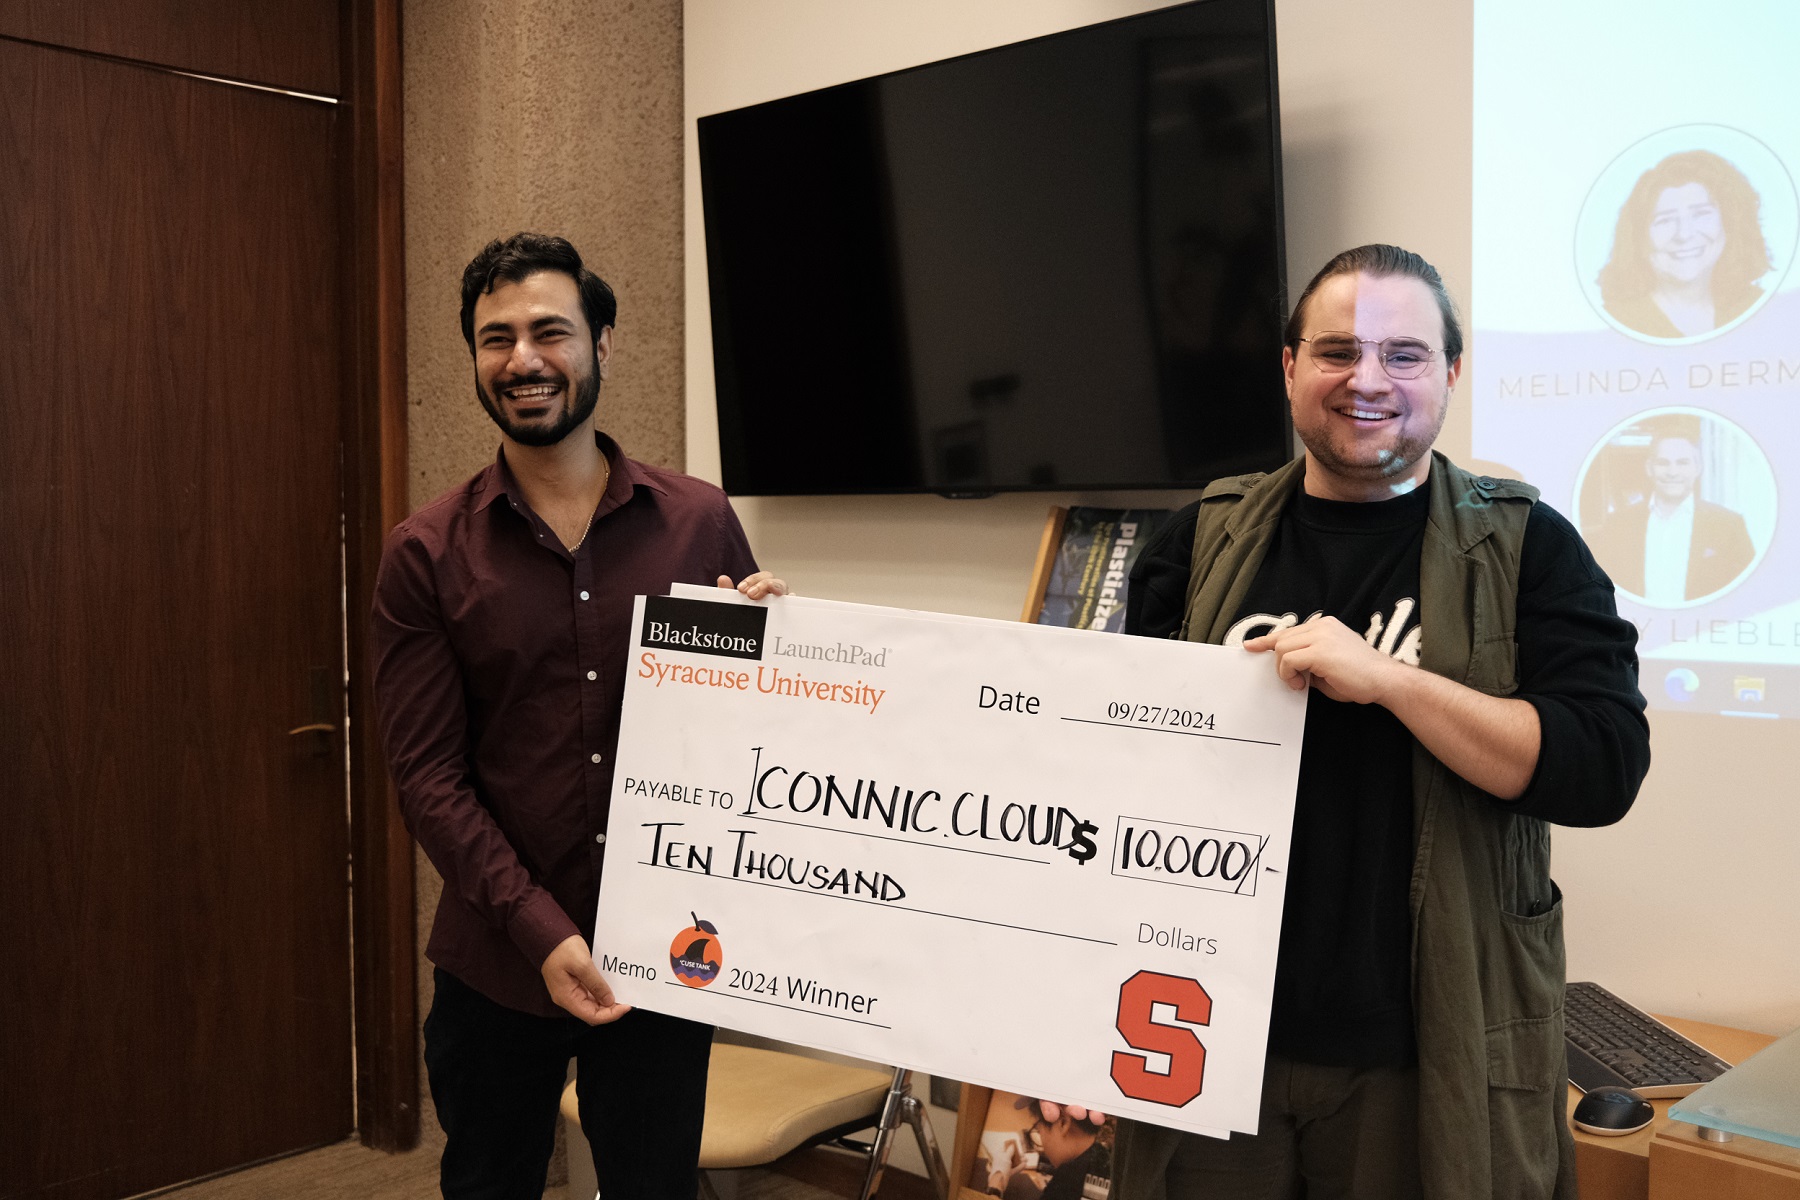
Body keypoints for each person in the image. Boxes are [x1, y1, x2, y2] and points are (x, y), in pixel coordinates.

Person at [1115, 245, 1650, 1200]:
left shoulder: (1528, 546)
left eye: (1404, 354)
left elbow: (1602, 766)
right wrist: (792, 645)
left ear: (1450, 373)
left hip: (1423, 1045)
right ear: (1289, 371)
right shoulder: (1199, 538)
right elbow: (1106, 755)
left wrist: (1396, 685)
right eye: (1336, 352)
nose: (1367, 380)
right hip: (1205, 1025)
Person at [371, 232, 785, 1198]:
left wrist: (781, 656)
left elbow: (740, 737)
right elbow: (429, 780)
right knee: (489, 1183)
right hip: (498, 961)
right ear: (474, 358)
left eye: (550, 330)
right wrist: (542, 929)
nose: (523, 358)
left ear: (602, 339)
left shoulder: (698, 521)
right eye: (495, 338)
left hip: (665, 950)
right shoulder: (425, 554)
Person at [1597, 149, 1772, 338]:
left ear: (1730, 223)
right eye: (1665, 220)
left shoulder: (1763, 308)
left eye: (1701, 214)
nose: (1684, 234)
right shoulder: (1611, 324)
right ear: (1638, 237)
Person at [1592, 432, 1756, 603]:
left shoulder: (1729, 525)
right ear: (1649, 468)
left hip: (1704, 628)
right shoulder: (1617, 525)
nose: (1672, 472)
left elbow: (1749, 593)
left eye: (1682, 463)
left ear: (1697, 468)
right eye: (1663, 463)